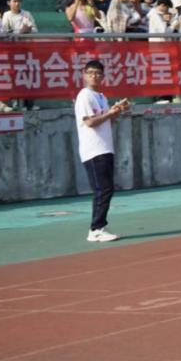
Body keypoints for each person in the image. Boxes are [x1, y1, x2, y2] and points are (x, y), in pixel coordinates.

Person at [75, 60, 130, 242]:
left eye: (98, 73)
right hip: (93, 149)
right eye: (90, 72)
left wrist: (116, 111)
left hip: (105, 148)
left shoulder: (101, 97)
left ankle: (99, 227)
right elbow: (90, 122)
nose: (94, 76)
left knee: (106, 189)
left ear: (103, 76)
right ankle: (96, 229)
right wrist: (109, 113)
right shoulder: (85, 96)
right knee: (103, 189)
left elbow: (106, 121)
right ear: (84, 75)